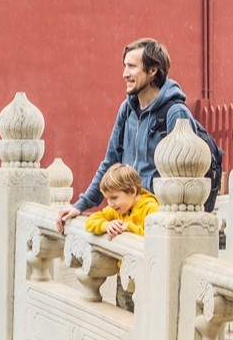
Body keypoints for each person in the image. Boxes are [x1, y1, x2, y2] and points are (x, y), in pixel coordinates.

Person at [56, 37, 195, 234]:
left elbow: (186, 177)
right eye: (124, 66)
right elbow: (110, 162)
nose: (124, 74)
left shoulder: (175, 113)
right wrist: (81, 205)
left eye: (131, 66)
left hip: (157, 223)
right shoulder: (127, 109)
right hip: (125, 219)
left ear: (152, 70)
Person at [84, 163, 158, 311]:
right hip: (123, 276)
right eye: (107, 199)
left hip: (146, 278)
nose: (110, 204)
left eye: (114, 198)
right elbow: (90, 222)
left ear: (132, 191)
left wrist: (130, 228)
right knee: (123, 310)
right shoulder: (117, 210)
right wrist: (106, 226)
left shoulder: (151, 208)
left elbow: (155, 240)